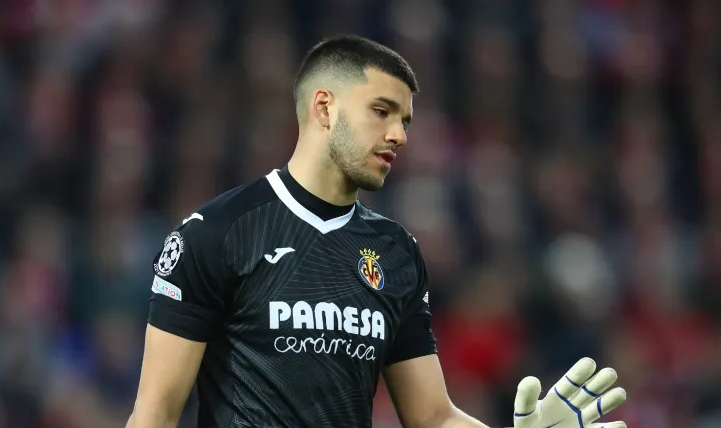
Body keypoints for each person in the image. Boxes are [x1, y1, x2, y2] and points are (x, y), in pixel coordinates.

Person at [126, 35, 628, 428]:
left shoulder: (396, 252)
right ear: (324, 108)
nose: (399, 135)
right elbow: (155, 413)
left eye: (405, 120)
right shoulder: (215, 234)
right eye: (382, 111)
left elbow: (431, 415)